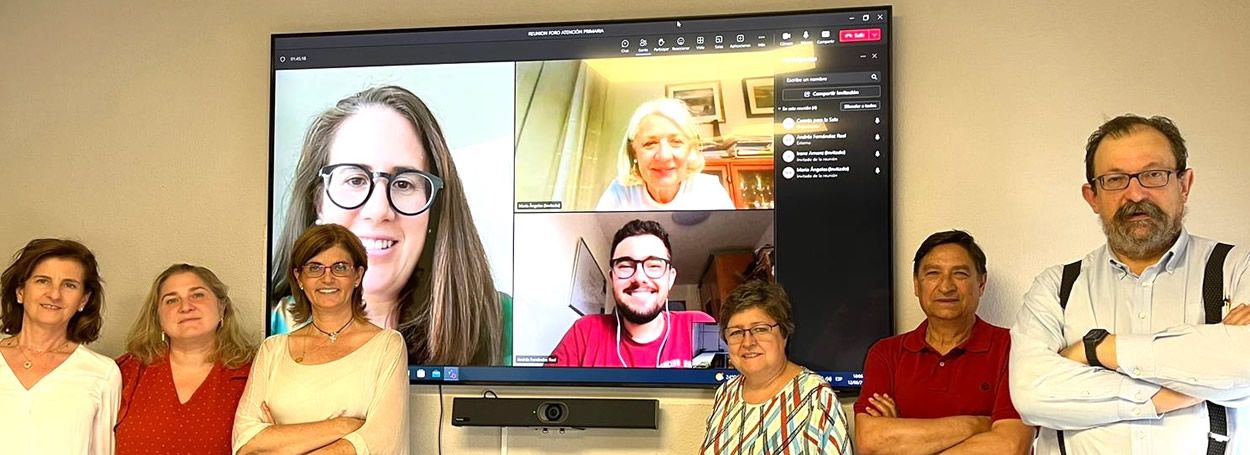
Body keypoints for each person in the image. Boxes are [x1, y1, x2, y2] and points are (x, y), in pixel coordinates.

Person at [1011, 114, 1250, 454]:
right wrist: (1177, 390)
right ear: (1092, 196)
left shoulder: (1239, 268)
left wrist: (1096, 350)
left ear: (1184, 185)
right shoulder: (1055, 287)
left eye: (1154, 175)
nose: (1135, 194)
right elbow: (1031, 394)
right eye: (1115, 179)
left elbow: (1246, 366)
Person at [271, 85, 507, 366]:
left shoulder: (509, 326)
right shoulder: (268, 328)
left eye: (404, 183)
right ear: (317, 202)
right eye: (355, 180)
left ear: (434, 208)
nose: (379, 210)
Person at [234, 224, 409, 454]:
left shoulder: (387, 345)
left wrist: (280, 442)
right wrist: (343, 426)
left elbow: (381, 442)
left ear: (357, 276)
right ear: (299, 278)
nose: (327, 278)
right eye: (315, 268)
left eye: (340, 267)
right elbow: (245, 443)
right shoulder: (272, 349)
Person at [854, 230, 1032, 454]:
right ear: (916, 285)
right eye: (933, 274)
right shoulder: (885, 353)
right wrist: (979, 424)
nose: (946, 287)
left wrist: (904, 440)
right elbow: (872, 441)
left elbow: (1010, 446)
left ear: (981, 283)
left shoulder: (1014, 348)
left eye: (960, 274)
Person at [115, 264, 256, 454]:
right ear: (158, 318)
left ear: (222, 308)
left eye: (197, 295)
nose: (186, 307)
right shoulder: (126, 373)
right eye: (172, 300)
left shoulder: (254, 375)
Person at [701, 280, 852, 454]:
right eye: (736, 332)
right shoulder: (725, 394)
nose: (747, 342)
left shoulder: (816, 396)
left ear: (784, 333)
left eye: (760, 329)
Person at [0, 238, 120, 454]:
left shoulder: (103, 372)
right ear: (20, 292)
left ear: (83, 300)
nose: (54, 294)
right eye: (42, 281)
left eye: (69, 285)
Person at [547, 219, 715, 367]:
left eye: (654, 266)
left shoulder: (700, 325)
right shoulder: (583, 331)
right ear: (612, 278)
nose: (639, 278)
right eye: (626, 266)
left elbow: (723, 389)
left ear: (670, 278)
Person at [596, 98, 736, 211]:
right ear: (634, 151)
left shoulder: (709, 191)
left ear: (690, 148)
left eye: (676, 141)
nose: (664, 156)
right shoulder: (619, 192)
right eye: (650, 143)